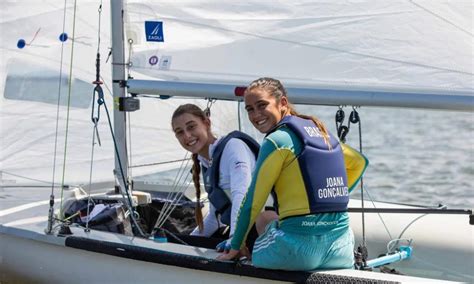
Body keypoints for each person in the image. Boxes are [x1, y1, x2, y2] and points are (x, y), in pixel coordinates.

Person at [217, 78, 368, 271]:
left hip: (297, 253)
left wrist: (236, 245)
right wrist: (328, 194)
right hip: (341, 251)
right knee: (272, 216)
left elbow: (253, 201)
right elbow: (359, 163)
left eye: (262, 105)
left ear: (283, 103)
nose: (256, 115)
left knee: (263, 218)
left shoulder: (276, 140)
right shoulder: (322, 132)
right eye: (249, 109)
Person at [171, 103, 259, 251]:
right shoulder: (207, 162)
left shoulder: (233, 147)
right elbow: (215, 218)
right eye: (179, 132)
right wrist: (182, 245)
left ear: (206, 123)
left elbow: (241, 194)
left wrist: (234, 240)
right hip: (246, 234)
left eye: (191, 127)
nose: (187, 135)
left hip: (264, 232)